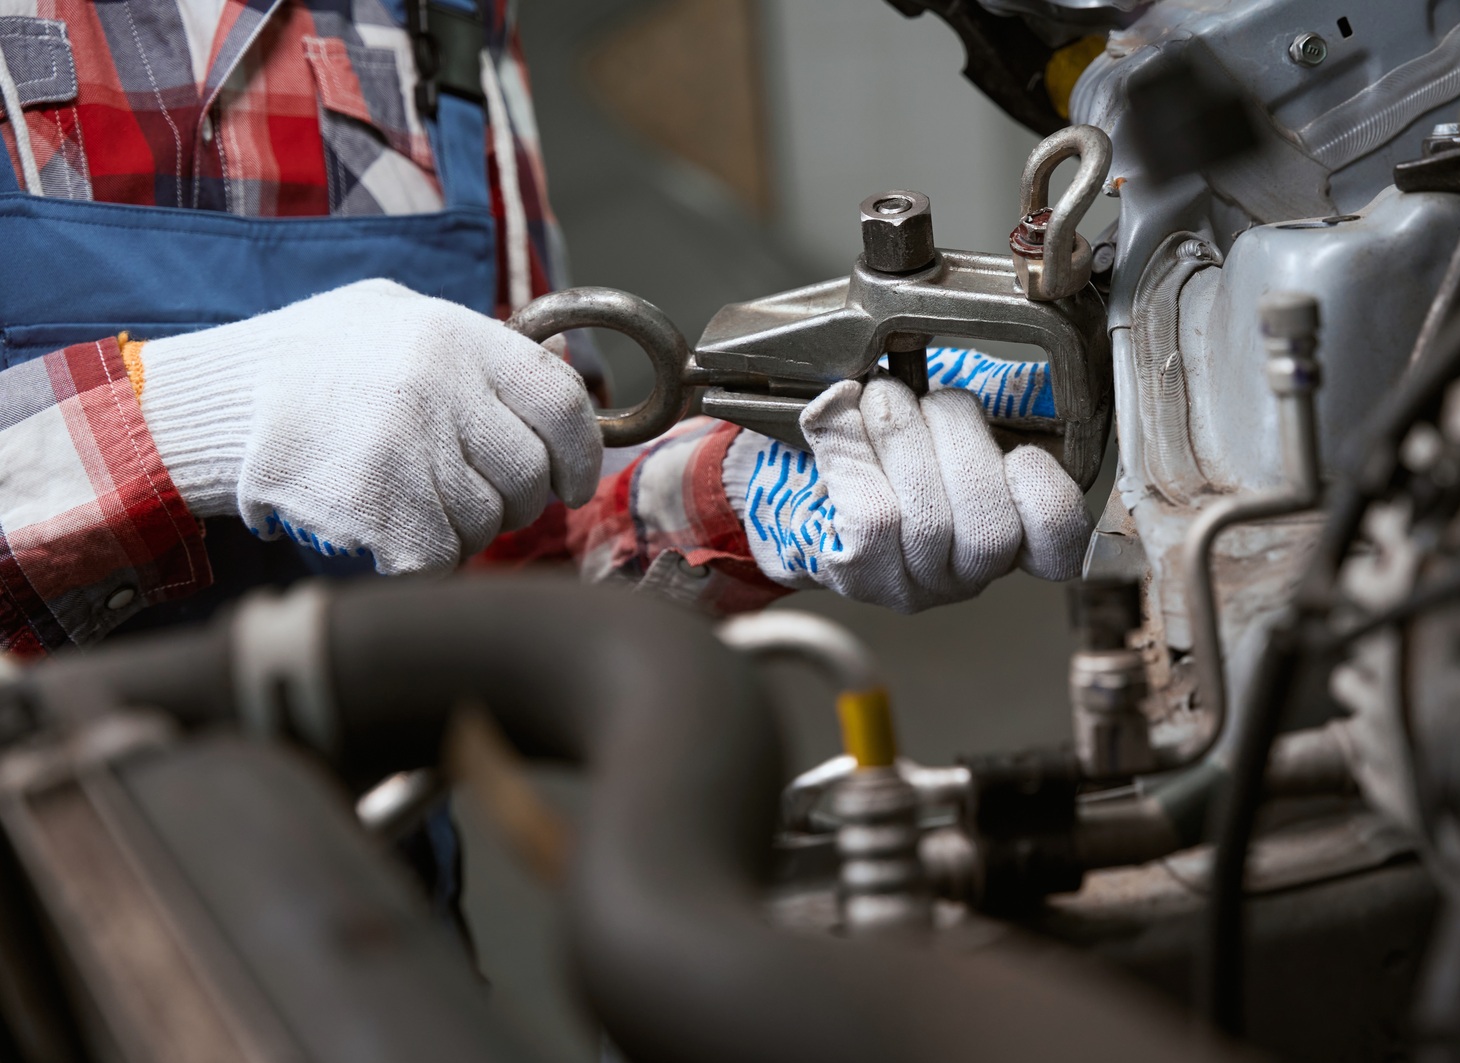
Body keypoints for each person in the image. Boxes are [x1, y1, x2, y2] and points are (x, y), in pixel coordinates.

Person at [0, 0, 1091, 659]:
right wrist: (185, 420)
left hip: (366, 916)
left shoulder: (433, 23)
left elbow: (521, 538)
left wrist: (750, 495)